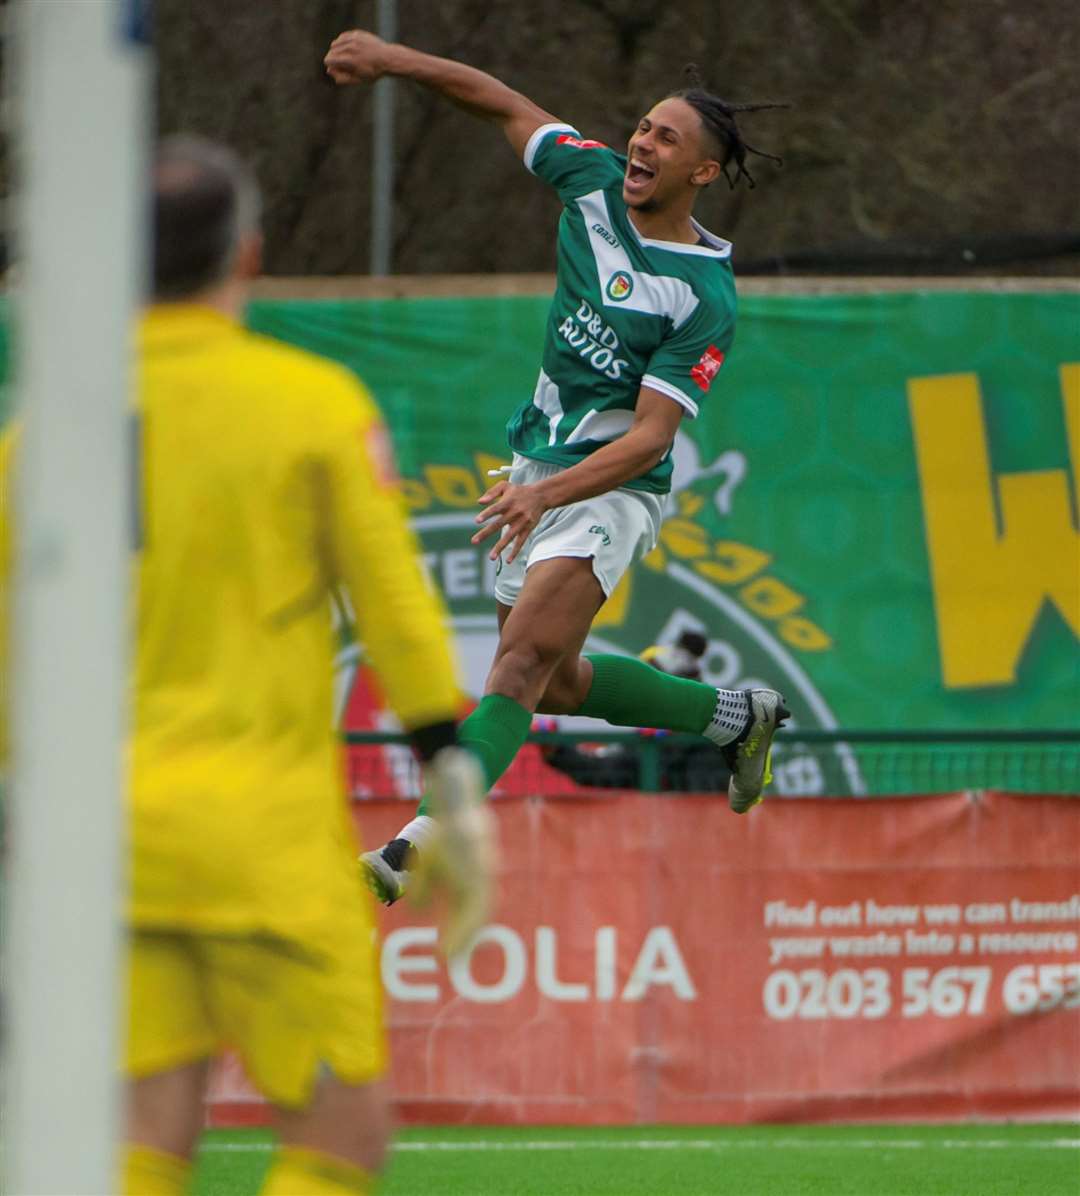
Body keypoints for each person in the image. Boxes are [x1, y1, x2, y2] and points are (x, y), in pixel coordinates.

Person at [1, 136, 493, 1196]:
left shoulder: (41, 432)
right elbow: (397, 605)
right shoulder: (310, 402)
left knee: (144, 1123)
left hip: (102, 840)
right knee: (340, 1132)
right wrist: (449, 768)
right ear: (251, 255)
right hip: (259, 832)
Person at [324, 32, 789, 906]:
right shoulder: (590, 179)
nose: (642, 146)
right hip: (536, 462)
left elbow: (651, 439)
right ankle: (734, 717)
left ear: (703, 174)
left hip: (610, 489)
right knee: (556, 675)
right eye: (643, 129)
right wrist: (392, 57)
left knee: (516, 667)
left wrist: (546, 497)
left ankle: (422, 838)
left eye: (665, 141)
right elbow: (500, 98)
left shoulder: (702, 296)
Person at [538, 632, 735, 792]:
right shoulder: (647, 739)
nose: (644, 694)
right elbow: (607, 772)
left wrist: (673, 738)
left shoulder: (711, 740)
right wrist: (558, 751)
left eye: (652, 683)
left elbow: (708, 798)